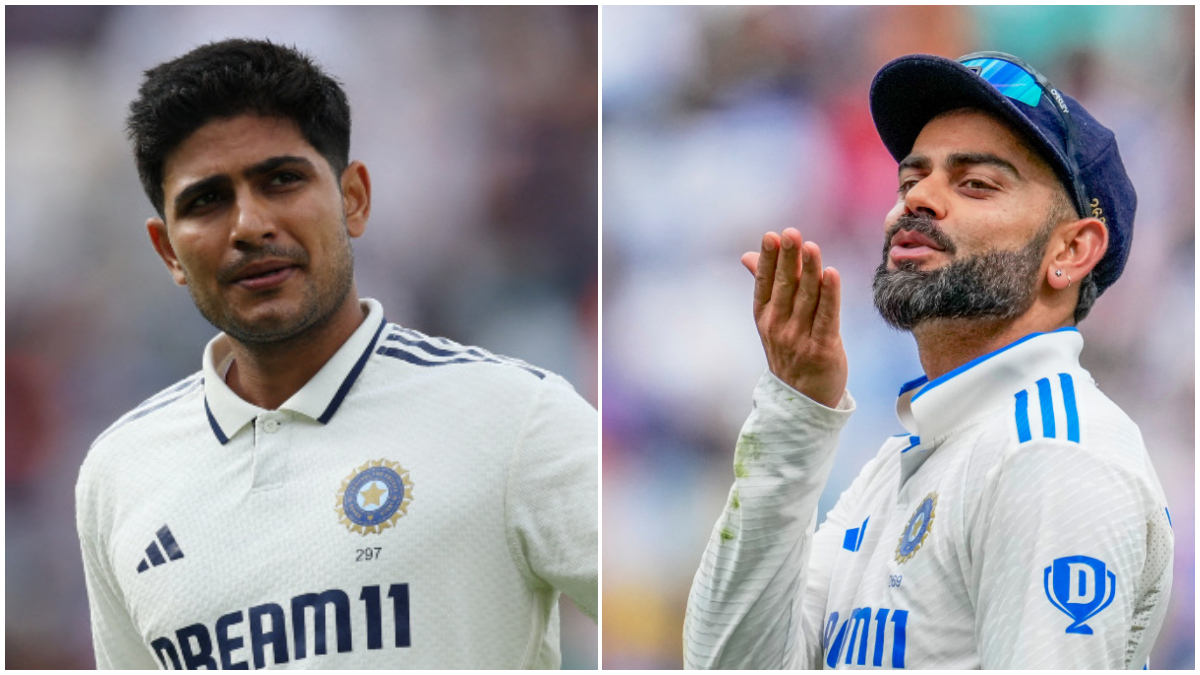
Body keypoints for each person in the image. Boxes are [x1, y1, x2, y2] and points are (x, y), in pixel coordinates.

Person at [74, 38, 597, 670]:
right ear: (167, 252)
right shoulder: (119, 474)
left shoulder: (514, 418)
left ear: (354, 198)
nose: (249, 225)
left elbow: (701, 636)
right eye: (207, 200)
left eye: (281, 180)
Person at [684, 51, 1172, 669]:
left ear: (1071, 251)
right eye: (910, 179)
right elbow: (728, 664)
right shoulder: (898, 464)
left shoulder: (1052, 454)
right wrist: (797, 412)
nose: (917, 200)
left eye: (975, 184)